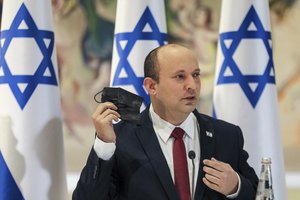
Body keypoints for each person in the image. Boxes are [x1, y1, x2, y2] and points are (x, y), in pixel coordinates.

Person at [72, 44, 258, 200]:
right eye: (180, 77)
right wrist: (104, 145)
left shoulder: (227, 135)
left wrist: (236, 187)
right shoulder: (120, 138)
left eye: (196, 75)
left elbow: (261, 194)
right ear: (151, 86)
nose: (192, 85)